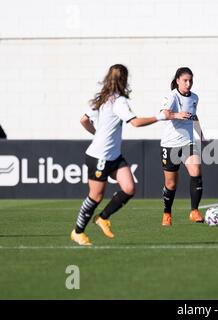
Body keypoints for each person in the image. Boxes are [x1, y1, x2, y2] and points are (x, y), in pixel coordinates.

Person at [71, 64, 189, 246]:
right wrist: (160, 117)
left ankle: (102, 218)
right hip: (99, 156)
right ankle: (78, 232)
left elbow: (84, 120)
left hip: (114, 156)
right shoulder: (117, 101)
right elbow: (134, 123)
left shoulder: (101, 99)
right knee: (95, 196)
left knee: (129, 188)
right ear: (124, 80)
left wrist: (97, 133)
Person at [159, 67, 206, 226]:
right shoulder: (172, 96)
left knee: (196, 171)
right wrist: (176, 115)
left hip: (188, 142)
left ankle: (194, 211)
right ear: (178, 80)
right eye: (185, 80)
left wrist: (201, 133)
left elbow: (194, 116)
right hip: (170, 144)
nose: (188, 83)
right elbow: (163, 114)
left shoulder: (194, 97)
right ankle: (167, 213)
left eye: (190, 80)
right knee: (171, 184)